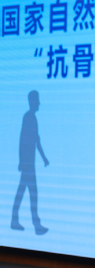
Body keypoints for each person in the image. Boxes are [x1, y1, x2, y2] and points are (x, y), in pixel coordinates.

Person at [11, 90, 50, 235]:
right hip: (27, 163)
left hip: (29, 163)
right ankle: (35, 224)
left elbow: (36, 140)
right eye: (37, 100)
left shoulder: (31, 118)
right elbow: (23, 140)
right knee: (31, 192)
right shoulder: (29, 118)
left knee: (25, 191)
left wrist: (43, 158)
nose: (39, 103)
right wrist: (22, 161)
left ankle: (18, 221)